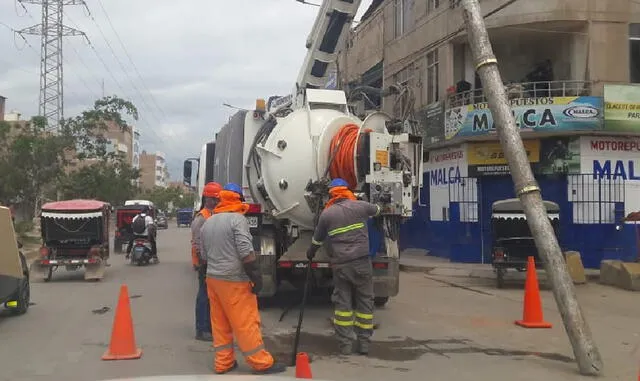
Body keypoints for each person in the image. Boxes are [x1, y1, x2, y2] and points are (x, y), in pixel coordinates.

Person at [200, 183, 286, 375]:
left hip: (213, 279)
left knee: (220, 323)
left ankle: (224, 362)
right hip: (234, 280)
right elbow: (246, 252)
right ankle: (260, 363)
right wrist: (256, 276)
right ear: (238, 199)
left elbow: (203, 255)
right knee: (245, 322)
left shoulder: (209, 221)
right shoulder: (237, 220)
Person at [306, 178, 381, 356]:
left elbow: (318, 239)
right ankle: (363, 344)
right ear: (348, 191)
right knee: (365, 303)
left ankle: (345, 346)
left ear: (331, 194)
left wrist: (311, 251)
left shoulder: (327, 214)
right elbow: (378, 210)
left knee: (343, 305)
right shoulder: (360, 206)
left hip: (341, 266)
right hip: (362, 263)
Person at [191, 182, 222, 342]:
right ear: (207, 199)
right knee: (204, 296)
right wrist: (202, 262)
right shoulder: (201, 218)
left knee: (211, 297)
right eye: (214, 199)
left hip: (212, 262)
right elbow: (197, 243)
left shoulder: (214, 214)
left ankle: (209, 326)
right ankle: (201, 329)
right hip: (204, 263)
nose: (217, 202)